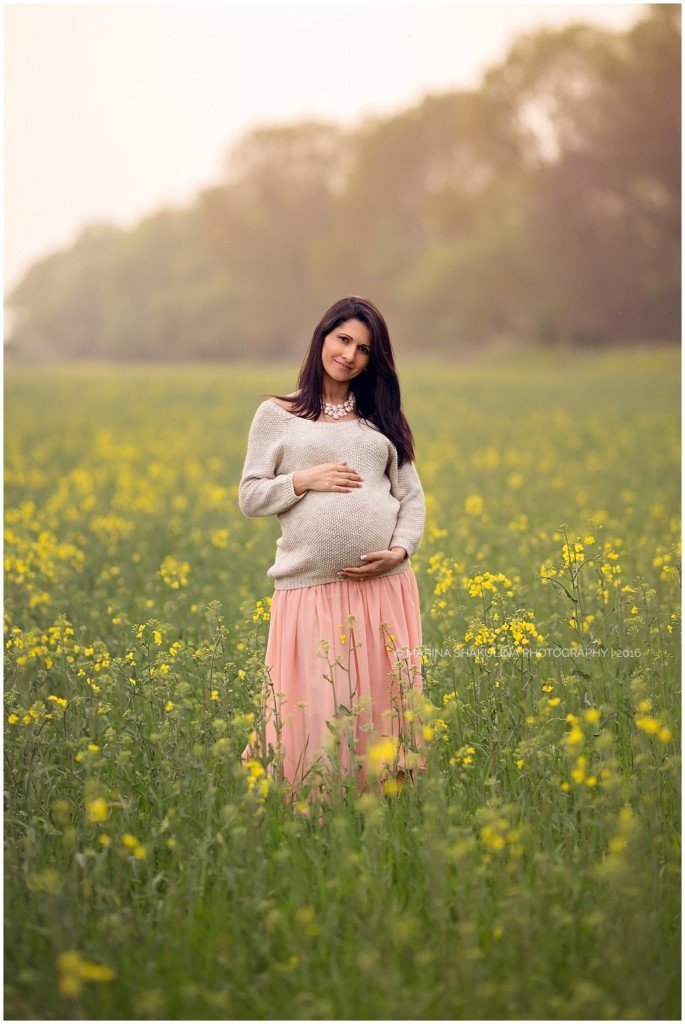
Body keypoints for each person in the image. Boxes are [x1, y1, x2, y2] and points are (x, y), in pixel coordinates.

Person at [237, 296, 427, 801]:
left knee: (379, 710)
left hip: (383, 589)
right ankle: (315, 814)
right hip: (310, 589)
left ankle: (382, 814)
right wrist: (304, 478)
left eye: (364, 349)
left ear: (374, 360)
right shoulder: (276, 414)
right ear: (323, 336)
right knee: (317, 710)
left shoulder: (382, 417)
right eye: (343, 339)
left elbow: (411, 497)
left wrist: (401, 551)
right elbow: (251, 495)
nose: (350, 355)